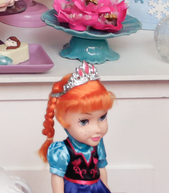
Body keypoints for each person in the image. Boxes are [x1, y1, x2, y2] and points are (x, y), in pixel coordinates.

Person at [39, 62, 115, 193]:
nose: (97, 129)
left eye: (102, 117)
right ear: (63, 120)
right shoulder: (62, 150)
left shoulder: (98, 145)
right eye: (84, 121)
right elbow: (57, 177)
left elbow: (101, 167)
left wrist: (106, 188)